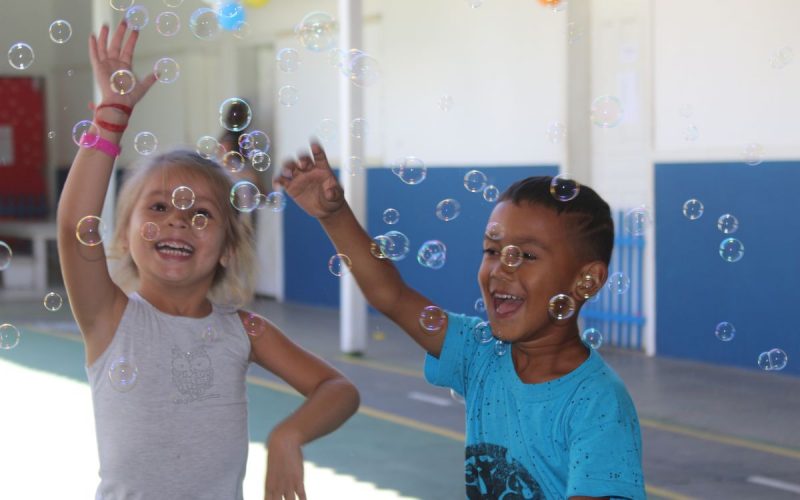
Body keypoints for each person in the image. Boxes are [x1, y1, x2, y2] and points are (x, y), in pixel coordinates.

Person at [57, 22, 359, 500]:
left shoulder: (245, 330)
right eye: (159, 207)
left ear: (227, 249)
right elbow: (75, 226)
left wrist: (288, 436)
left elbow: (338, 389)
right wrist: (109, 122)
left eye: (201, 214)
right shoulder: (110, 320)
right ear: (124, 232)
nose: (178, 221)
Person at [277, 143, 646, 499]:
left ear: (587, 281)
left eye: (528, 255)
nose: (501, 269)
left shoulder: (597, 404)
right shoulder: (481, 351)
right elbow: (391, 296)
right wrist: (334, 214)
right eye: (491, 250)